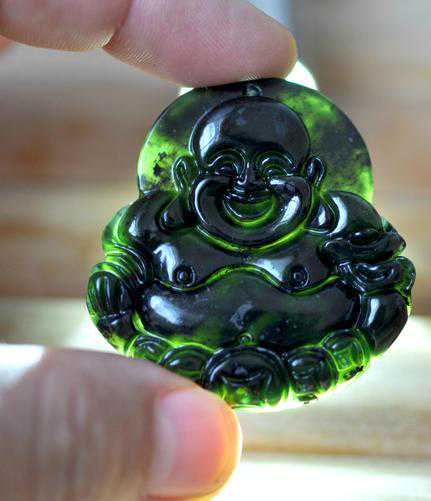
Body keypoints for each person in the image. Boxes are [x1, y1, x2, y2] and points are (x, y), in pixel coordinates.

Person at [0, 1, 297, 499]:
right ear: (187, 174)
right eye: (226, 167)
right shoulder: (160, 235)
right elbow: (118, 288)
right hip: (178, 347)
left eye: (271, 170)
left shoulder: (328, 238)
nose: (247, 185)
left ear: (309, 175)